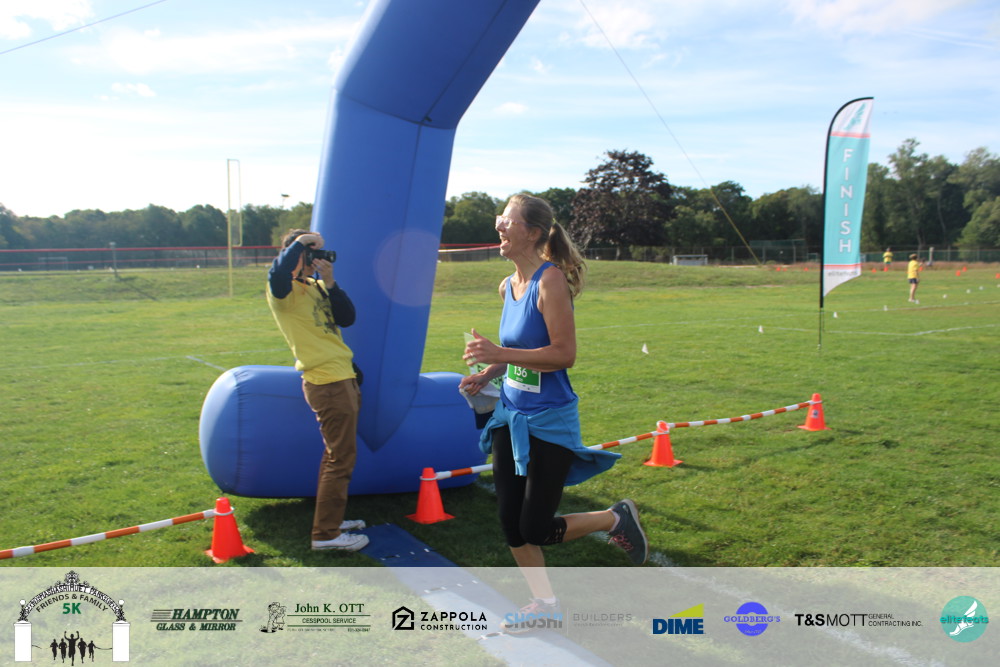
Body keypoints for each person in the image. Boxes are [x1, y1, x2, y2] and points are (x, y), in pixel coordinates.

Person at [459, 194, 649, 634]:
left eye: (507, 221)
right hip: (509, 416)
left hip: (548, 422)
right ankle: (544, 604)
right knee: (511, 524)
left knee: (536, 527)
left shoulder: (551, 281)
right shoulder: (508, 286)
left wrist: (499, 353)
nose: (498, 226)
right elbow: (522, 352)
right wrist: (489, 371)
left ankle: (614, 518)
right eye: (499, 219)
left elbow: (564, 355)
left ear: (532, 232)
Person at [267, 229, 368, 552]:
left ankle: (331, 522)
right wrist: (300, 244)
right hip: (327, 382)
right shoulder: (283, 292)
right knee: (341, 458)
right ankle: (325, 535)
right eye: (310, 252)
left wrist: (331, 282)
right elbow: (277, 274)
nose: (316, 258)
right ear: (296, 254)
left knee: (336, 456)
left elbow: (347, 318)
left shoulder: (315, 286)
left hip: (342, 376)